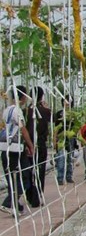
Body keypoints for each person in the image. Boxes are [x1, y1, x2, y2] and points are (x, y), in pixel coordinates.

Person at [0, 86, 35, 217]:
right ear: (22, 97)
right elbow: (22, 129)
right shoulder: (17, 110)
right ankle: (8, 202)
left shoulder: (6, 110)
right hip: (15, 150)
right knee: (25, 175)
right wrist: (30, 145)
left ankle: (16, 207)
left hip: (6, 148)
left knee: (11, 177)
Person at [25, 86, 52, 207]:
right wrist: (47, 108)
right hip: (40, 144)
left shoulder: (26, 111)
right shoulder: (44, 111)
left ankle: (29, 196)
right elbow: (54, 119)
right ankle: (37, 197)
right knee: (39, 170)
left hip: (27, 144)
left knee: (28, 170)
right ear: (41, 97)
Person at [53, 95, 77, 186]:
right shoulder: (59, 114)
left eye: (69, 101)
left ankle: (69, 176)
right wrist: (54, 139)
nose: (66, 103)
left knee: (70, 157)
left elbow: (76, 127)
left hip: (70, 138)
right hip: (61, 138)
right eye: (65, 101)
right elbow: (56, 127)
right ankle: (60, 177)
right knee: (61, 157)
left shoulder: (73, 114)